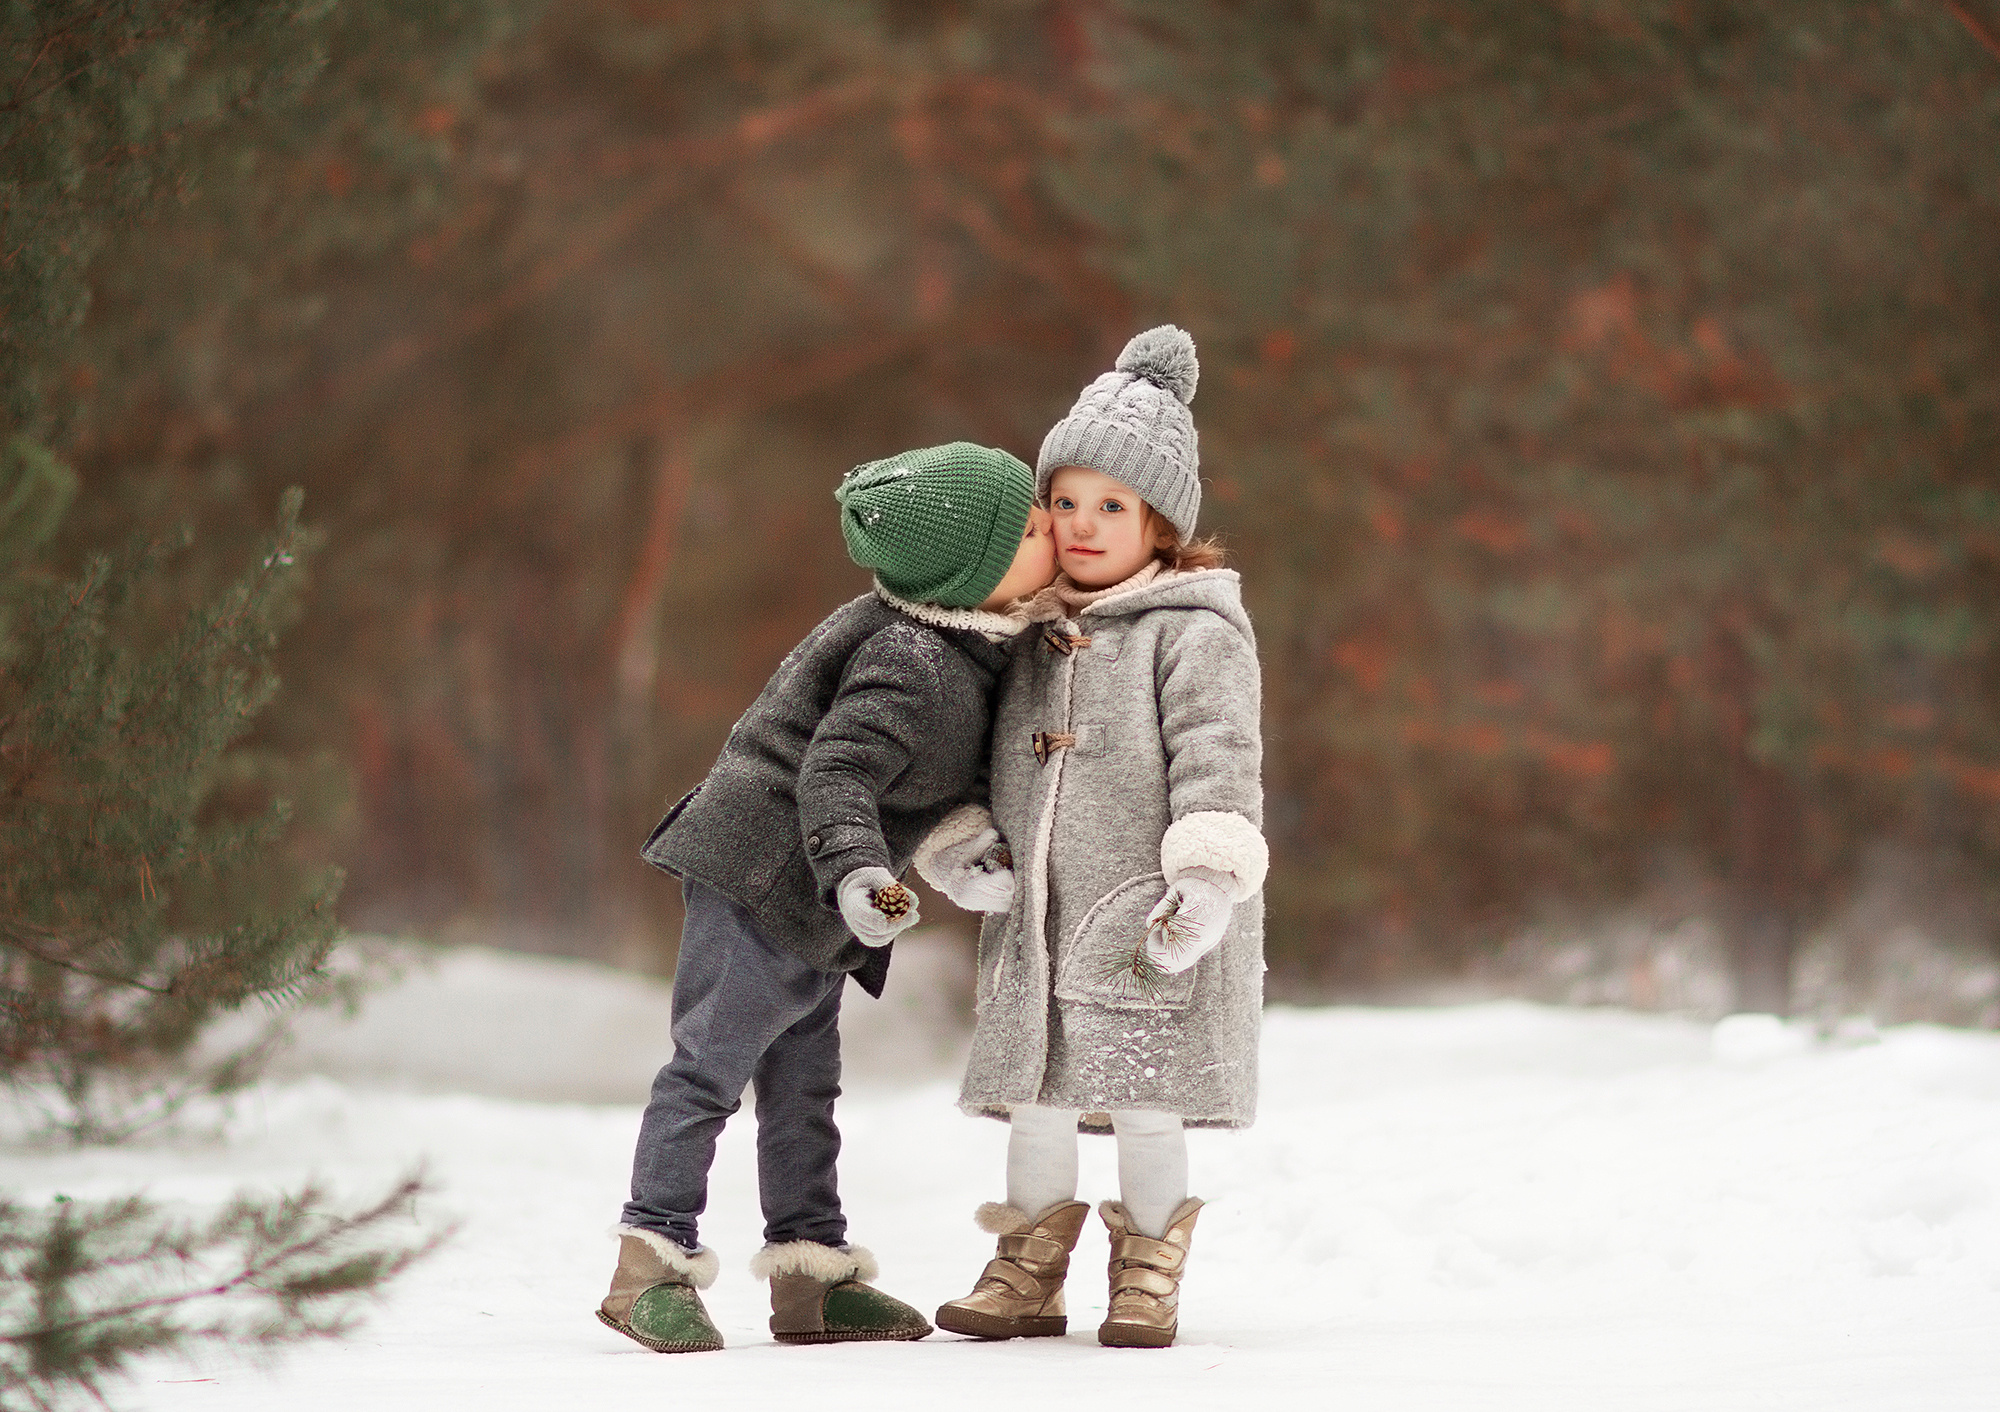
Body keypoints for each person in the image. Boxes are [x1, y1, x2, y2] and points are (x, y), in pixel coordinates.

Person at [599, 442, 1056, 1354]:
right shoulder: (913, 659)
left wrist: (959, 854)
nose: (1056, 533)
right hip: (760, 877)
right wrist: (858, 874)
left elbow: (919, 786)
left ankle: (810, 1274)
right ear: (972, 570)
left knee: (804, 1087)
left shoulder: (965, 646)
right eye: (1033, 528)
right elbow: (837, 773)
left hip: (810, 898)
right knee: (710, 1067)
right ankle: (648, 1262)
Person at [918, 327, 1265, 1350]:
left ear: (1159, 522)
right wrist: (961, 841)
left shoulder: (1191, 630)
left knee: (1146, 1097)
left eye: (1111, 506)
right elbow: (965, 756)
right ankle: (1026, 1268)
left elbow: (1217, 758)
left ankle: (1148, 1271)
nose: (1081, 524)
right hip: (1037, 915)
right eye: (1064, 502)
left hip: (1146, 913)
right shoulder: (1021, 627)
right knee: (1038, 1099)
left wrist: (1206, 876)